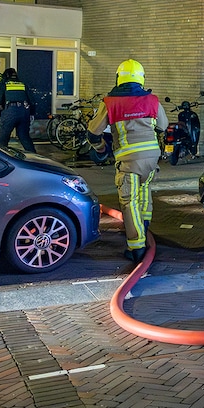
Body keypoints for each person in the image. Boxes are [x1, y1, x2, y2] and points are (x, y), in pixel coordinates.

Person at [88, 59, 168, 261]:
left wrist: (100, 148)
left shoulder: (110, 102)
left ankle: (137, 247)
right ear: (141, 79)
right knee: (144, 192)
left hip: (128, 160)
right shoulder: (152, 100)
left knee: (129, 202)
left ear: (118, 78)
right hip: (151, 157)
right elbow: (163, 126)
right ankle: (145, 226)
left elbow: (93, 132)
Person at [0, 68, 36, 152]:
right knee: (24, 137)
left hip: (10, 112)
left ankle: (2, 159)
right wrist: (31, 114)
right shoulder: (23, 85)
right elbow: (32, 101)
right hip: (24, 112)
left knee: (3, 138)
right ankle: (36, 159)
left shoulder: (5, 85)